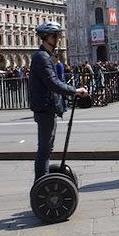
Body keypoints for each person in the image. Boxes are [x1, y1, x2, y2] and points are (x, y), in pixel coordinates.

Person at [30, 22, 88, 182]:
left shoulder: (46, 57)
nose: (58, 38)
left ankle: (43, 181)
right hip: (45, 108)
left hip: (48, 107)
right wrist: (75, 91)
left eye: (58, 35)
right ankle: (41, 182)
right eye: (55, 36)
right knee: (44, 149)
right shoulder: (42, 58)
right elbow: (52, 82)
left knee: (47, 148)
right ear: (45, 38)